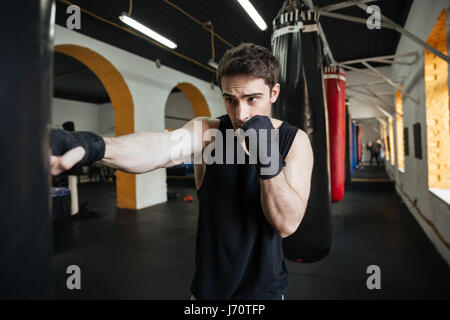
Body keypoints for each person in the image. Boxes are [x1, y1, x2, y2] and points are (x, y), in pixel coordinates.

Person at [49, 43, 314, 300]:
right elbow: (157, 148)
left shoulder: (293, 140)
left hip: (264, 292)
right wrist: (93, 145)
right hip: (208, 291)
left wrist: (268, 158)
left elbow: (286, 224)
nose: (240, 113)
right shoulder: (210, 133)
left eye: (252, 99)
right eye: (230, 100)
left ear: (274, 93)